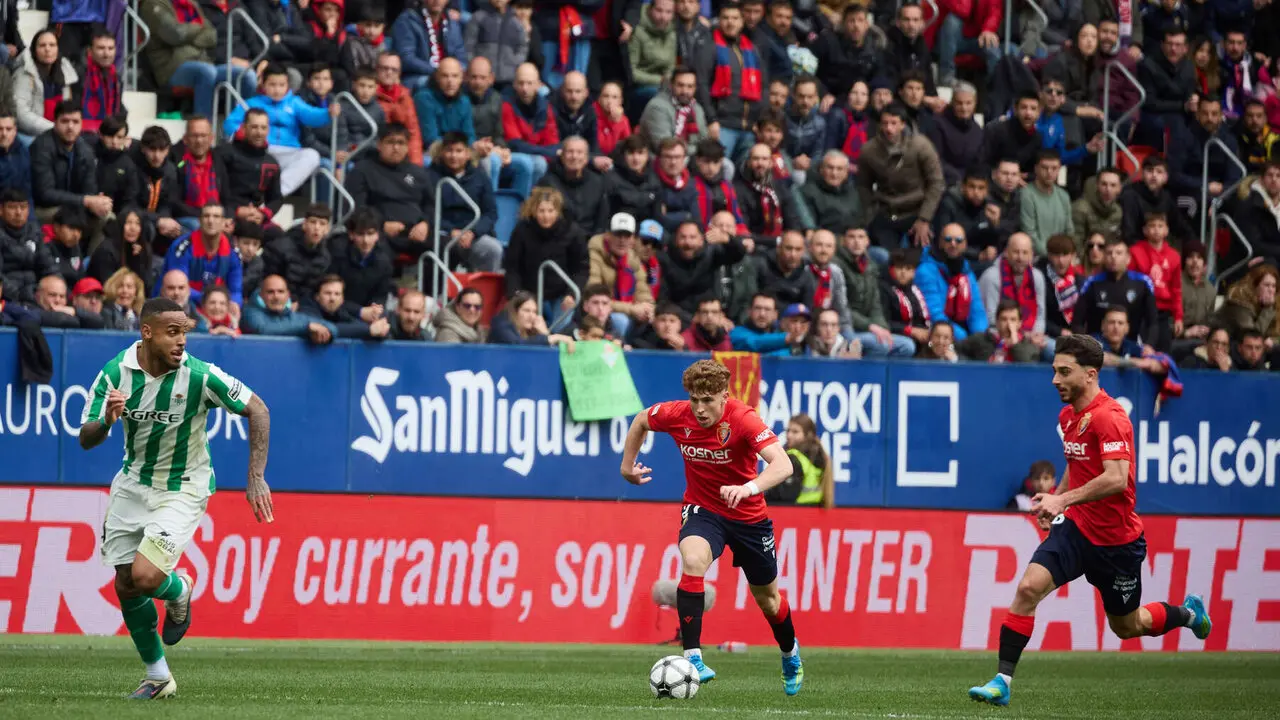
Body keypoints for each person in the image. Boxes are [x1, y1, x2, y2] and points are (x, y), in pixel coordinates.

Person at [967, 334, 1211, 707]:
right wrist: (1058, 507)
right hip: (1077, 528)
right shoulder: (1069, 416)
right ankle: (1002, 682)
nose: (1055, 380)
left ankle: (1189, 613)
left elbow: (1116, 478)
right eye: (1054, 371)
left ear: (1091, 374)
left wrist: (1062, 497)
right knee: (1029, 588)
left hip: (1117, 543)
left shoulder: (1111, 418)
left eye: (1064, 372)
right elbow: (1076, 462)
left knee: (1128, 626)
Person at [77, 297, 273, 700]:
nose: (182, 340)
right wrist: (107, 421)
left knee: (148, 576)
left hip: (184, 484)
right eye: (172, 332)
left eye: (184, 331)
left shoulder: (199, 376)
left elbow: (258, 409)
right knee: (127, 584)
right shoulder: (116, 373)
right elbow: (86, 437)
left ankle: (179, 590)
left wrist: (256, 476)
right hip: (134, 482)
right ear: (147, 333)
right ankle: (158, 677)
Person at [621, 359, 802, 692]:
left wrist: (747, 488)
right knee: (692, 561)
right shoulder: (677, 414)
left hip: (749, 517)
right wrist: (627, 466)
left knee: (769, 601)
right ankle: (693, 657)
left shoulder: (744, 418)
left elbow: (783, 464)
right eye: (695, 400)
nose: (700, 409)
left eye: (708, 400)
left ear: (724, 395)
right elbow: (641, 420)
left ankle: (790, 652)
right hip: (703, 508)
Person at [224, 64, 337, 197]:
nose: (277, 90)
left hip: (288, 152)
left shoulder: (294, 102)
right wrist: (245, 135)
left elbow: (311, 115)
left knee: (312, 156)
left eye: (281, 85)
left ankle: (276, 193)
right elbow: (230, 124)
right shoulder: (251, 103)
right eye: (272, 85)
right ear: (263, 84)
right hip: (261, 150)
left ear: (287, 85)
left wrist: (328, 113)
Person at [423, 132, 503, 272]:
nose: (454, 156)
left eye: (459, 151)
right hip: (444, 234)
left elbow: (490, 213)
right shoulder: (430, 176)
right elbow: (427, 212)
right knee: (445, 246)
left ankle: (485, 291)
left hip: (473, 234)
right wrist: (451, 230)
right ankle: (442, 292)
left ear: (467, 154)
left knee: (493, 249)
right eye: (449, 151)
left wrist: (472, 232)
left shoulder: (480, 176)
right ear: (442, 153)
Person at [770, 413, 834, 507]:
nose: (789, 435)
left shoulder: (794, 458)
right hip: (813, 513)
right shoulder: (820, 456)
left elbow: (785, 496)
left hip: (795, 515)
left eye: (795, 432)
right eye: (788, 431)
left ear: (808, 434)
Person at [488, 289, 577, 349]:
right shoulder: (501, 323)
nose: (532, 316)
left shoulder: (532, 330)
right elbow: (516, 345)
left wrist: (545, 333)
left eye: (534, 312)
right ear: (515, 311)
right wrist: (551, 338)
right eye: (527, 310)